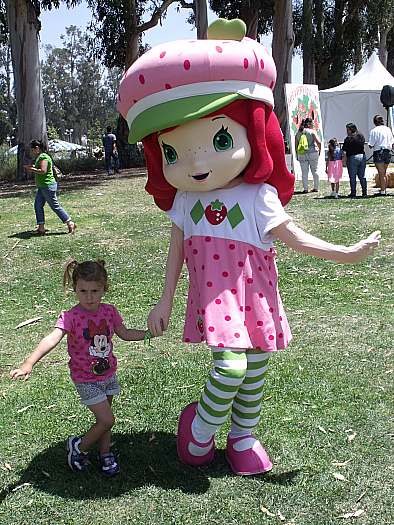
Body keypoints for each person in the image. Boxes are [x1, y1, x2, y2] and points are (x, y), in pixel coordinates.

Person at [117, 19, 381, 476]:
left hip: (255, 295)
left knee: (255, 367)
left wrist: (344, 252)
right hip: (217, 300)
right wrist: (163, 300)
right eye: (174, 153)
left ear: (253, 132)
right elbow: (176, 252)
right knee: (232, 369)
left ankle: (242, 436)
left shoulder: (257, 196)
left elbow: (293, 237)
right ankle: (198, 429)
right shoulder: (185, 200)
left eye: (220, 140)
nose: (197, 163)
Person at [10, 260, 151, 476]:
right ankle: (79, 448)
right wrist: (29, 363)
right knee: (107, 419)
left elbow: (125, 333)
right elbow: (51, 339)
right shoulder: (70, 317)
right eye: (82, 290)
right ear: (74, 288)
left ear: (105, 289)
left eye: (95, 291)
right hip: (85, 379)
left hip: (108, 374)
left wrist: (147, 334)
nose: (88, 297)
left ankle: (105, 454)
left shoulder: (109, 312)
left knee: (105, 420)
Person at [25, 140, 76, 235]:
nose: (32, 152)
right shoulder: (40, 157)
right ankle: (41, 228)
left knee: (55, 206)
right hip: (42, 186)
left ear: (37, 148)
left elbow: (43, 171)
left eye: (32, 149)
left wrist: (32, 170)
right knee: (38, 206)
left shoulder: (44, 157)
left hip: (47, 186)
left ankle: (70, 223)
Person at [367, 115, 394, 196]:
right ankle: (384, 188)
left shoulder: (374, 131)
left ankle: (383, 191)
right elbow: (392, 141)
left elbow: (371, 144)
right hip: (388, 151)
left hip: (379, 151)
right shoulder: (388, 129)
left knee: (381, 173)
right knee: (384, 172)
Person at [295, 117, 322, 193]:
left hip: (302, 154)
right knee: (315, 170)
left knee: (304, 171)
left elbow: (296, 145)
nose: (313, 124)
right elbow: (319, 142)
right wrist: (319, 150)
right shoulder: (312, 132)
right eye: (312, 123)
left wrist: (297, 154)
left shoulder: (298, 133)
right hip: (313, 152)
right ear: (309, 124)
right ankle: (316, 187)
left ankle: (305, 188)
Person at [342, 123, 367, 198]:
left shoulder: (349, 138)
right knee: (362, 175)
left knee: (352, 177)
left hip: (352, 157)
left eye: (348, 130)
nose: (347, 131)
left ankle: (353, 193)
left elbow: (344, 148)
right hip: (362, 156)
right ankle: (364, 192)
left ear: (351, 130)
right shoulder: (361, 136)